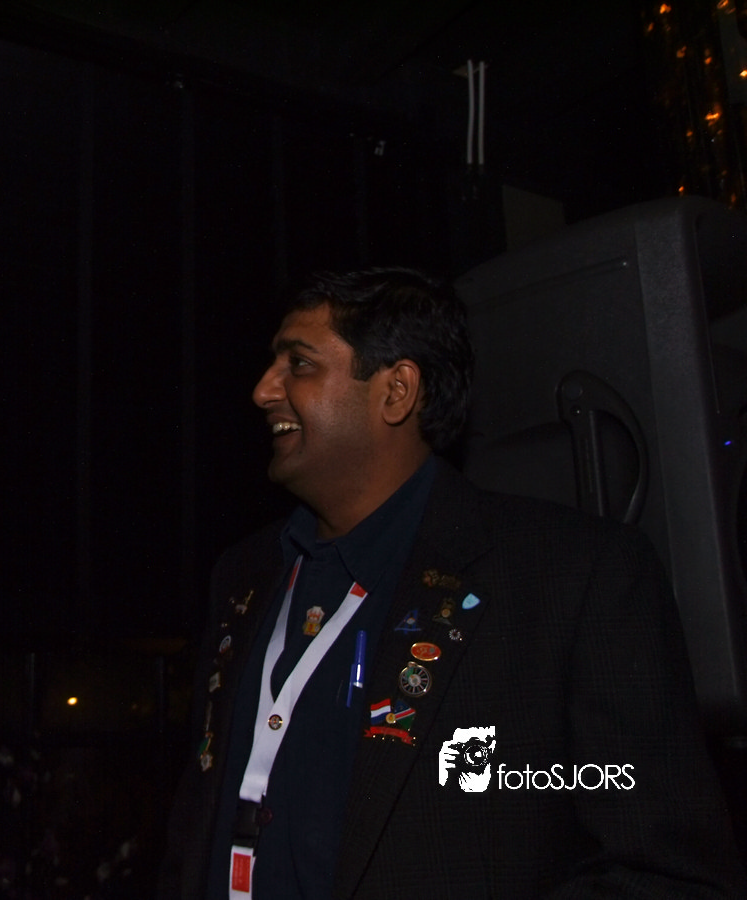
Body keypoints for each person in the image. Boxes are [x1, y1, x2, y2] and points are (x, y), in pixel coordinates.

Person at [158, 268, 745, 898]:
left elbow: (665, 873)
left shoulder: (574, 578)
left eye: (298, 364)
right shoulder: (243, 575)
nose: (262, 390)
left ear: (396, 392)